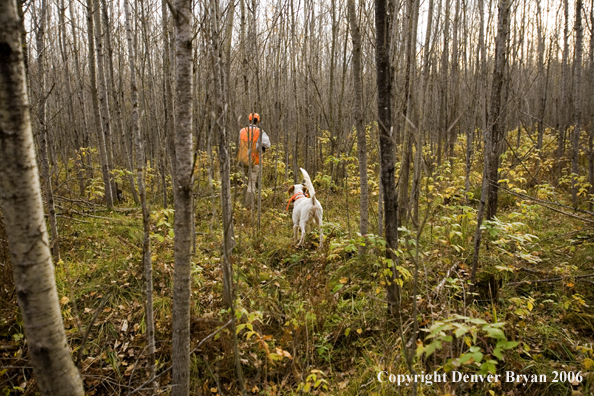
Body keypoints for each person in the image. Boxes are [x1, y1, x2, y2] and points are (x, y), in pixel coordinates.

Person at [237, 113, 270, 204]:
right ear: (258, 122)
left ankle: (242, 202)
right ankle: (247, 205)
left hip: (243, 160)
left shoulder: (242, 131)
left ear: (249, 121)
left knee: (244, 182)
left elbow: (239, 143)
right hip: (255, 161)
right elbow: (268, 145)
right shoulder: (260, 132)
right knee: (251, 183)